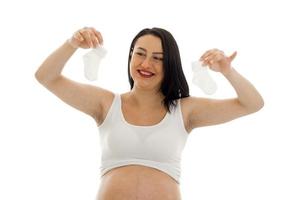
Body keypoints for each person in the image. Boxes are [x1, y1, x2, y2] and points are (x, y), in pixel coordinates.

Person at [35, 26, 264, 200]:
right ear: (131, 56)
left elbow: (252, 104)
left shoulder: (185, 110)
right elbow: (46, 77)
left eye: (158, 59)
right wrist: (72, 43)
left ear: (170, 65)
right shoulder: (106, 104)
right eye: (140, 54)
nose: (146, 64)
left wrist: (227, 70)